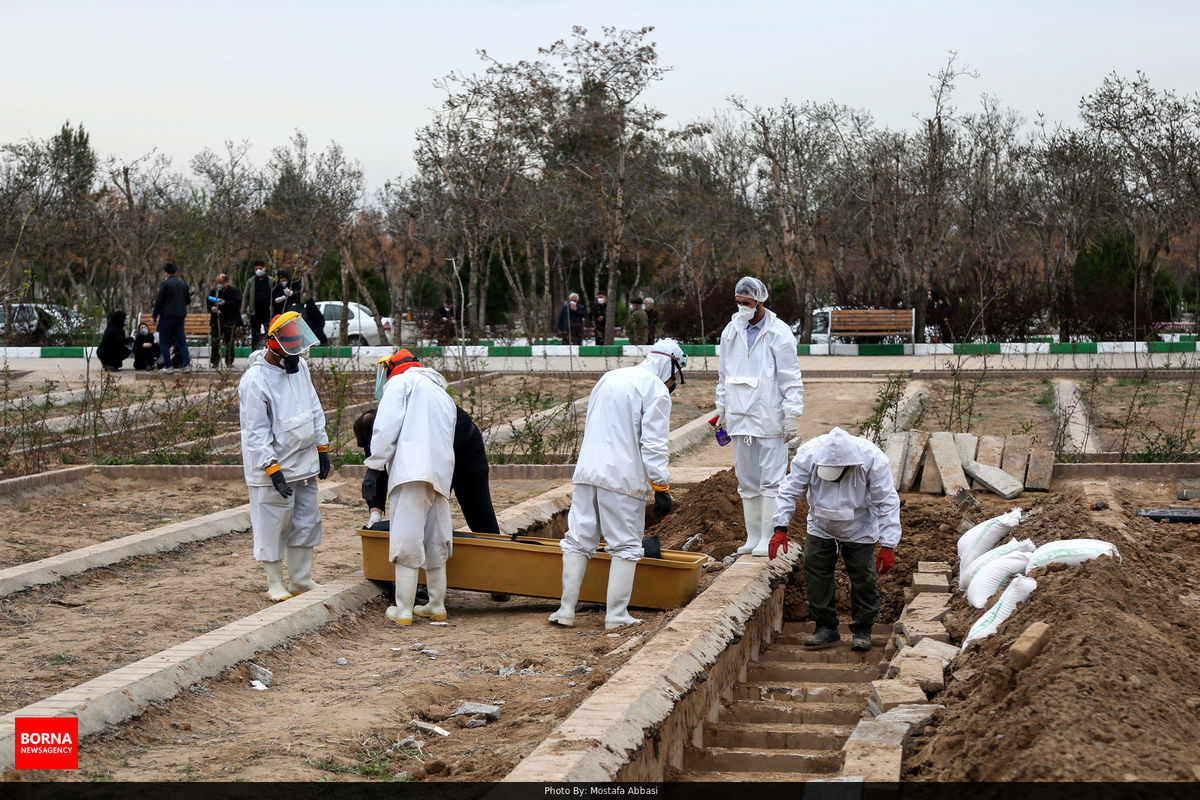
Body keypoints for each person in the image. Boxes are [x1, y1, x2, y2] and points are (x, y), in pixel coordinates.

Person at [549, 339, 686, 630]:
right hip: (622, 478)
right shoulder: (656, 389)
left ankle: (565, 610)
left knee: (578, 540)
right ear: (670, 364)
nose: (674, 381)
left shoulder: (610, 377)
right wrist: (661, 485)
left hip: (587, 473)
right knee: (625, 545)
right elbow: (653, 444)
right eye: (675, 374)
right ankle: (616, 615)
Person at [769, 426, 900, 652]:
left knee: (863, 577)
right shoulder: (809, 454)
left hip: (860, 526)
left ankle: (863, 629)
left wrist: (888, 544)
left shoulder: (873, 459)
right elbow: (789, 490)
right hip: (821, 525)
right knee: (816, 573)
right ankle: (826, 627)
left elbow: (887, 501)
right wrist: (780, 527)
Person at [238, 311, 331, 602]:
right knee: (273, 524)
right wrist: (271, 467)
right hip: (274, 467)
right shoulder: (255, 380)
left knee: (306, 520)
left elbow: (314, 407)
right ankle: (275, 582)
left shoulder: (300, 367)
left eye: (297, 351)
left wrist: (322, 447)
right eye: (290, 353)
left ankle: (301, 579)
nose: (295, 358)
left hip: (304, 462)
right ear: (274, 348)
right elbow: (255, 431)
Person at [362, 349, 457, 626]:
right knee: (436, 539)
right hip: (440, 473)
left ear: (392, 368)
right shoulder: (441, 393)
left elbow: (385, 427)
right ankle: (437, 604)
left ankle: (403, 609)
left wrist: (375, 464)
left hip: (411, 472)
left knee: (406, 539)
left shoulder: (400, 383)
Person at [714, 276, 805, 557]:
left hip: (768, 417)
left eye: (747, 302)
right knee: (747, 480)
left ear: (760, 301)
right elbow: (724, 375)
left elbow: (790, 378)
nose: (742, 307)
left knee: (772, 481)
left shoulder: (779, 332)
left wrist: (791, 413)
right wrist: (721, 407)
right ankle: (753, 536)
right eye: (739, 302)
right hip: (740, 417)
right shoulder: (731, 331)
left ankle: (768, 535)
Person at [152, 263, 191, 371]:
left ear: (166, 273)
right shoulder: (183, 284)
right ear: (176, 272)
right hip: (180, 317)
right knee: (181, 341)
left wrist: (154, 316)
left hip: (167, 317)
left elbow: (159, 301)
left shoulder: (165, 284)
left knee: (164, 341)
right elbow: (188, 301)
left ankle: (168, 366)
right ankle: (186, 364)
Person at [207, 273, 243, 369]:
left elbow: (237, 303)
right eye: (218, 282)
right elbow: (209, 303)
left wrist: (225, 303)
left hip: (229, 320)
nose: (219, 284)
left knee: (229, 342)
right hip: (217, 320)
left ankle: (229, 361)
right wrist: (212, 308)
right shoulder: (214, 292)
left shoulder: (234, 292)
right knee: (215, 341)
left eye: (221, 282)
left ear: (226, 282)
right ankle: (215, 361)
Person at [249, 261, 272, 350]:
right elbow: (246, 296)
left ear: (264, 268)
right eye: (256, 269)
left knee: (270, 334)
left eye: (260, 268)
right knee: (255, 335)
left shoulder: (270, 280)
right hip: (255, 313)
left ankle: (270, 352)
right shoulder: (251, 281)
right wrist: (243, 311)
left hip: (267, 312)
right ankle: (254, 352)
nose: (258, 270)